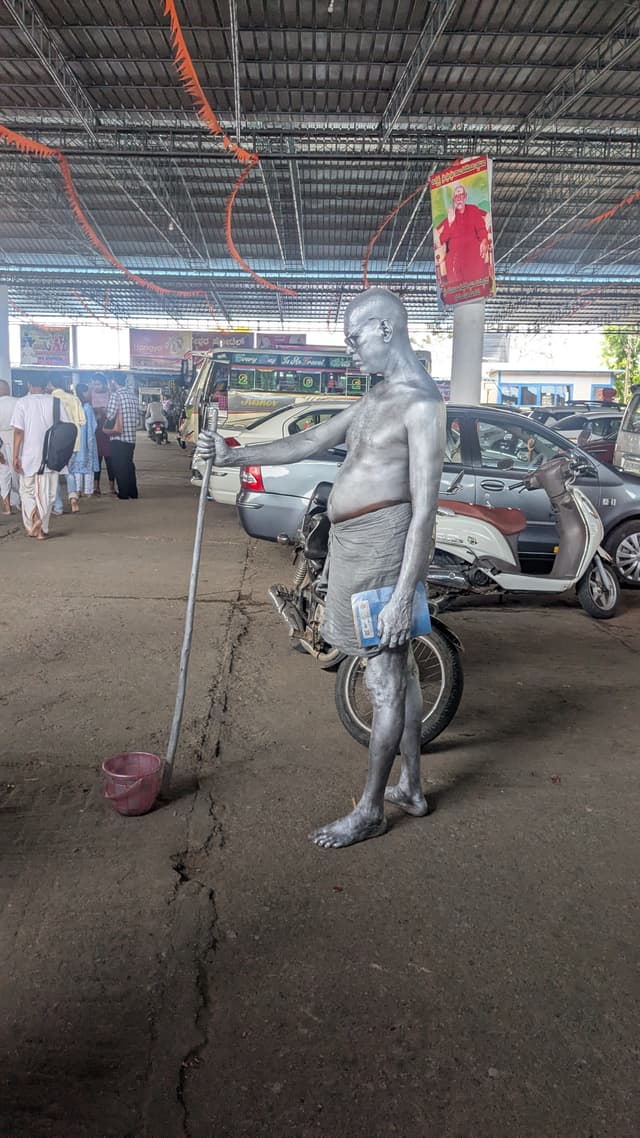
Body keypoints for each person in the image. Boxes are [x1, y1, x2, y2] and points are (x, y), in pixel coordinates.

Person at [196, 288, 446, 848]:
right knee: (398, 671)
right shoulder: (380, 394)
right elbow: (311, 439)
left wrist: (404, 594)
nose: (351, 351)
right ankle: (412, 786)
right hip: (356, 545)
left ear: (384, 329)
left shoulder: (422, 405)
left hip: (385, 548)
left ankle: (371, 809)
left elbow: (425, 511)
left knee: (383, 677)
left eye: (355, 339)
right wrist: (234, 454)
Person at [10, 380, 71, 539]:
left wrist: (15, 455)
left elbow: (18, 432)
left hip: (29, 455)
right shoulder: (56, 403)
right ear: (46, 384)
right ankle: (42, 528)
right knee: (48, 493)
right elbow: (66, 429)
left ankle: (35, 520)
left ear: (29, 385)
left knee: (27, 491)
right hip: (52, 456)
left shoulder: (22, 403)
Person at [435, 182, 491, 288]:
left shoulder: (473, 210)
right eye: (456, 196)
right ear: (453, 200)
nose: (458, 198)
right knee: (452, 265)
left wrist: (484, 240)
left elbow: (481, 229)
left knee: (476, 275)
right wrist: (450, 222)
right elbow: (443, 239)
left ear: (465, 197)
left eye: (461, 195)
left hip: (472, 251)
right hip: (455, 256)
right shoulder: (451, 216)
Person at [102, 376, 139, 499]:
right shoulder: (133, 396)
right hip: (131, 437)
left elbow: (110, 414)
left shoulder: (116, 395)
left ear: (113, 381)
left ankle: (123, 493)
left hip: (118, 437)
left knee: (119, 465)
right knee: (129, 464)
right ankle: (133, 492)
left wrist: (103, 411)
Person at [63, 383, 99, 511]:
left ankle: (77, 490)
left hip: (75, 440)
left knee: (76, 467)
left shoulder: (72, 405)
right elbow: (93, 425)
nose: (89, 394)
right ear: (83, 392)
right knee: (88, 467)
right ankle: (88, 490)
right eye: (87, 392)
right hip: (87, 439)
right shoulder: (87, 407)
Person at [91, 375, 115, 496]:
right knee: (97, 461)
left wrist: (105, 412)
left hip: (108, 432)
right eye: (95, 384)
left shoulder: (111, 396)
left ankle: (112, 487)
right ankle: (96, 487)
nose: (96, 386)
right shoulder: (90, 396)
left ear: (104, 384)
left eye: (98, 384)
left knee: (110, 461)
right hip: (95, 433)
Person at [0, 379, 19, 515]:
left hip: (1, 440)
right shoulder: (18, 402)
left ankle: (7, 505)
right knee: (18, 470)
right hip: (16, 438)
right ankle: (23, 501)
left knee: (3, 472)